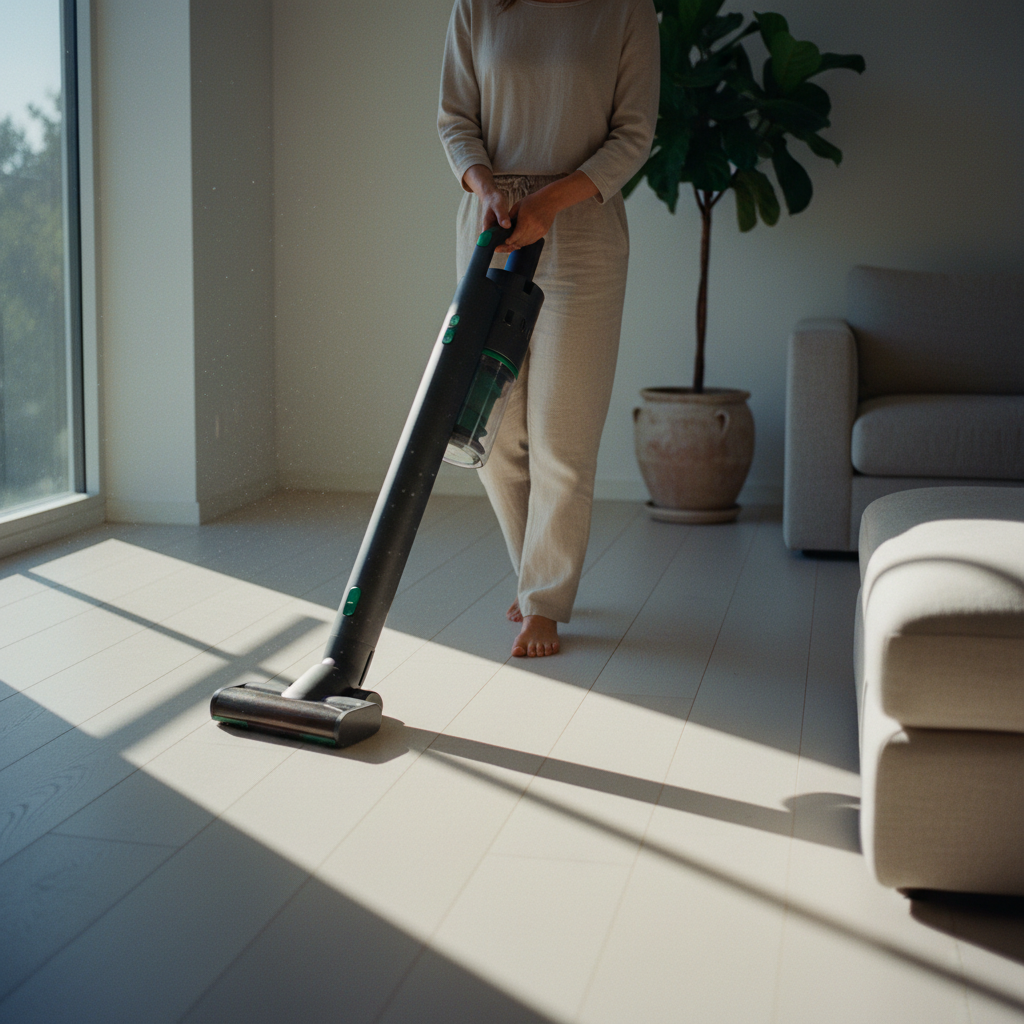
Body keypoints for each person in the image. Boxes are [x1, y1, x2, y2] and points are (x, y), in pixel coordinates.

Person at [438, 0, 659, 658]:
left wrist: (547, 203)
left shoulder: (625, 11)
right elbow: (456, 119)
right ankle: (535, 574)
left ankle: (545, 601)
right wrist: (485, 189)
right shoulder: (478, 7)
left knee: (562, 437)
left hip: (584, 233)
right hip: (491, 230)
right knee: (490, 433)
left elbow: (633, 134)